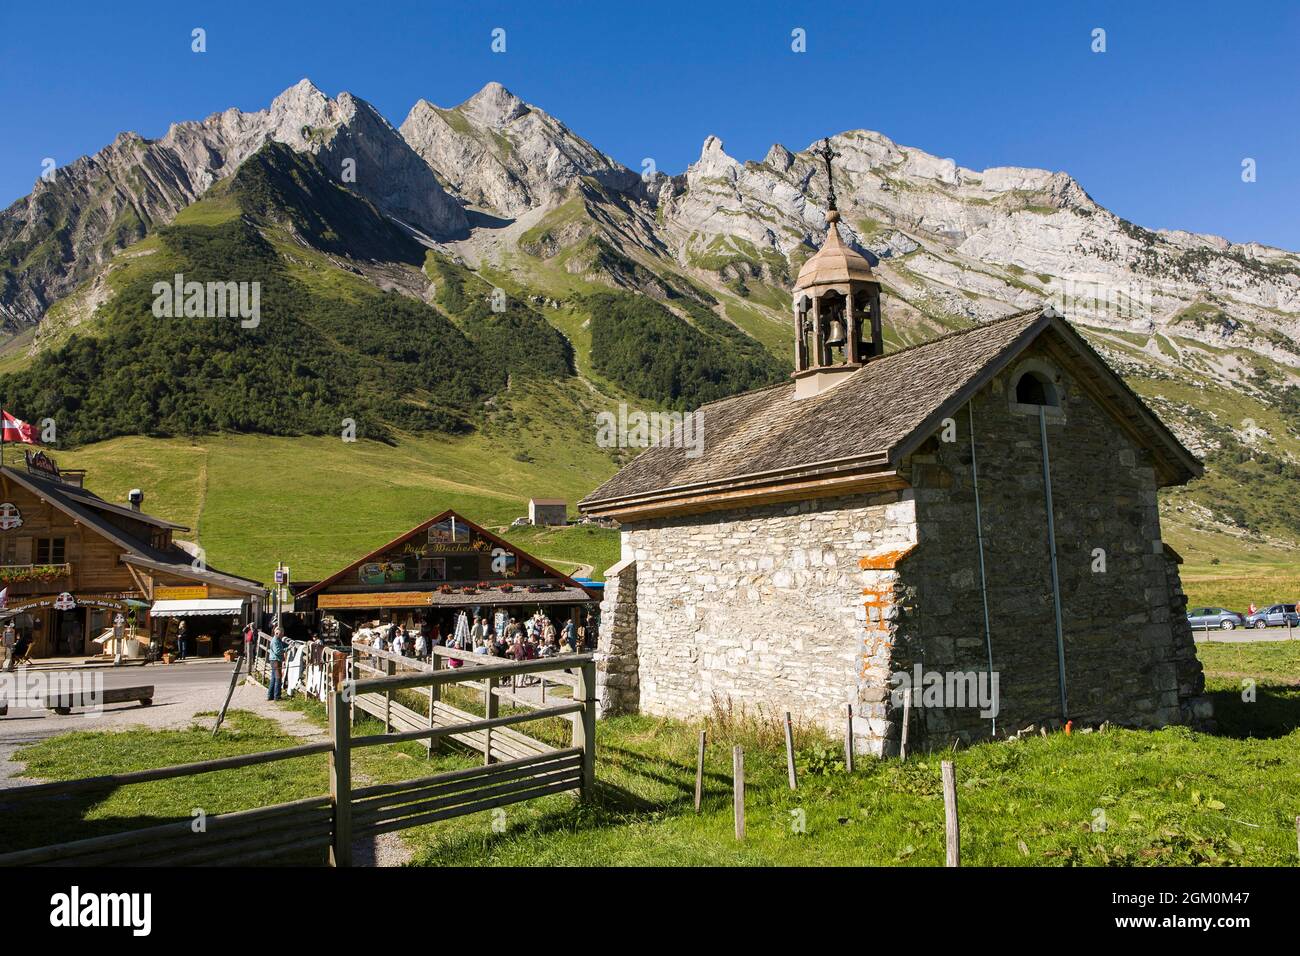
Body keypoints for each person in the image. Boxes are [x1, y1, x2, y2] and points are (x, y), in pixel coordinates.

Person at [267, 627, 286, 701]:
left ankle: (270, 695)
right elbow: (278, 651)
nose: (282, 635)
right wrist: (287, 649)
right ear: (277, 633)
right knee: (278, 678)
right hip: (276, 660)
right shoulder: (275, 641)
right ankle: (277, 696)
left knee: (273, 678)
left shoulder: (277, 640)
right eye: (281, 634)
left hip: (274, 660)